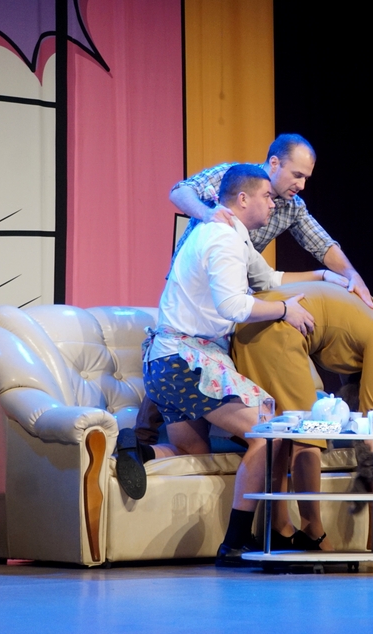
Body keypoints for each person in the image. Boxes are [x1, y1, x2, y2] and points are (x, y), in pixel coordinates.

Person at [124, 164, 348, 566]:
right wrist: (284, 311)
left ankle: (137, 451)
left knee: (189, 448)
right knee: (269, 429)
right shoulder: (223, 238)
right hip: (187, 360)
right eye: (266, 197)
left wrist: (323, 276)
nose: (273, 204)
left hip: (165, 361)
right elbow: (233, 305)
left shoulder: (233, 235)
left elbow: (269, 277)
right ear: (242, 199)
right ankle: (236, 542)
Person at [229, 282, 373, 551]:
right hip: (277, 331)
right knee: (310, 435)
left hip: (251, 325)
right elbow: (370, 417)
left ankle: (280, 527)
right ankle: (313, 530)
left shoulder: (370, 315)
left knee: (280, 434)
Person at [169, 133, 373, 309]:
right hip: (192, 287)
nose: (302, 185)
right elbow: (180, 191)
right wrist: (207, 213)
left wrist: (352, 275)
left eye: (306, 178)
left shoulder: (292, 206)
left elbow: (322, 245)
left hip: (233, 292)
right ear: (275, 163)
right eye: (297, 175)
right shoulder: (234, 176)